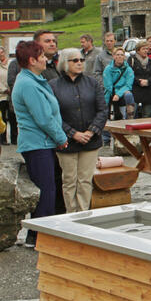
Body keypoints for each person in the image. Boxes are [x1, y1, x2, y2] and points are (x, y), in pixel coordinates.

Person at [13, 40, 69, 247]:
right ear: (32, 60)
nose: (46, 59)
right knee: (45, 191)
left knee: (50, 188)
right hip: (37, 144)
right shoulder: (27, 84)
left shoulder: (33, 80)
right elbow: (43, 117)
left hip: (43, 143)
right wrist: (61, 138)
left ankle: (45, 233)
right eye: (42, 56)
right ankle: (37, 236)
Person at [50, 48, 106, 212]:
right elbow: (53, 115)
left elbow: (102, 110)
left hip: (90, 140)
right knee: (69, 180)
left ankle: (83, 214)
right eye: (75, 60)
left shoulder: (92, 83)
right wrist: (73, 133)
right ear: (64, 63)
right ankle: (70, 215)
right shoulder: (53, 86)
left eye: (81, 59)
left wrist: (91, 131)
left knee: (85, 180)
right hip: (66, 142)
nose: (79, 63)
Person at [103, 47, 135, 120]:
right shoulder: (108, 69)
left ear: (124, 57)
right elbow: (108, 85)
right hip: (111, 93)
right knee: (110, 116)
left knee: (128, 95)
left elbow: (128, 85)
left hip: (122, 93)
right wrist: (114, 95)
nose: (119, 56)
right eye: (117, 55)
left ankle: (129, 117)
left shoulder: (129, 69)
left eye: (121, 55)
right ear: (114, 56)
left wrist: (118, 94)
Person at [129, 43, 151, 118]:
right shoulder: (132, 59)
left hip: (148, 91)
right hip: (135, 90)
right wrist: (139, 81)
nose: (146, 51)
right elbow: (129, 74)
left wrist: (148, 81)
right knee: (132, 115)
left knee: (147, 115)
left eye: (147, 49)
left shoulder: (150, 60)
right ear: (138, 50)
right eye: (143, 49)